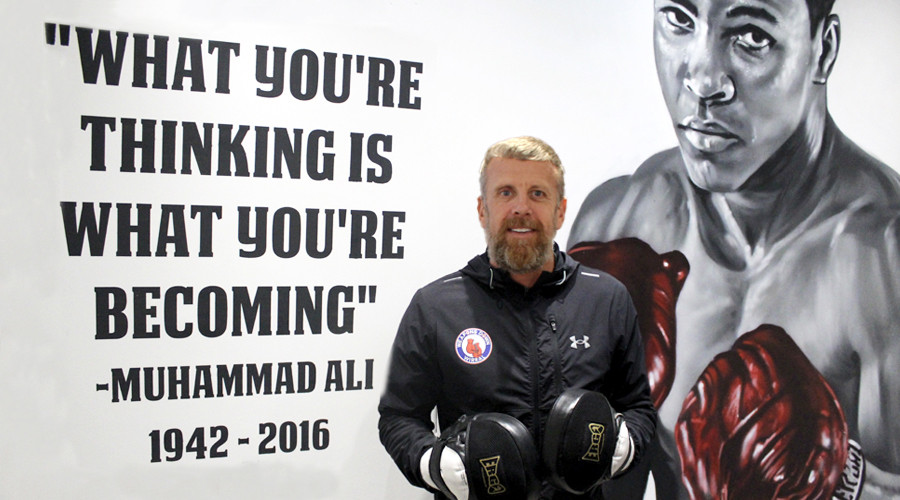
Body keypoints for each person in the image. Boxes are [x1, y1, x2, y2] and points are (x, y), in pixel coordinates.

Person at [568, 0, 900, 498]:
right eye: (680, 19)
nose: (701, 81)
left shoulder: (884, 263)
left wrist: (841, 482)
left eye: (750, 35)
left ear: (823, 50)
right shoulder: (618, 224)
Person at [378, 136, 657, 499]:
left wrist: (625, 445)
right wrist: (435, 464)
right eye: (506, 193)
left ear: (560, 211)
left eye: (538, 194)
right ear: (483, 210)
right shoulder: (435, 307)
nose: (521, 208)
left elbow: (638, 406)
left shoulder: (607, 299)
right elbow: (399, 417)